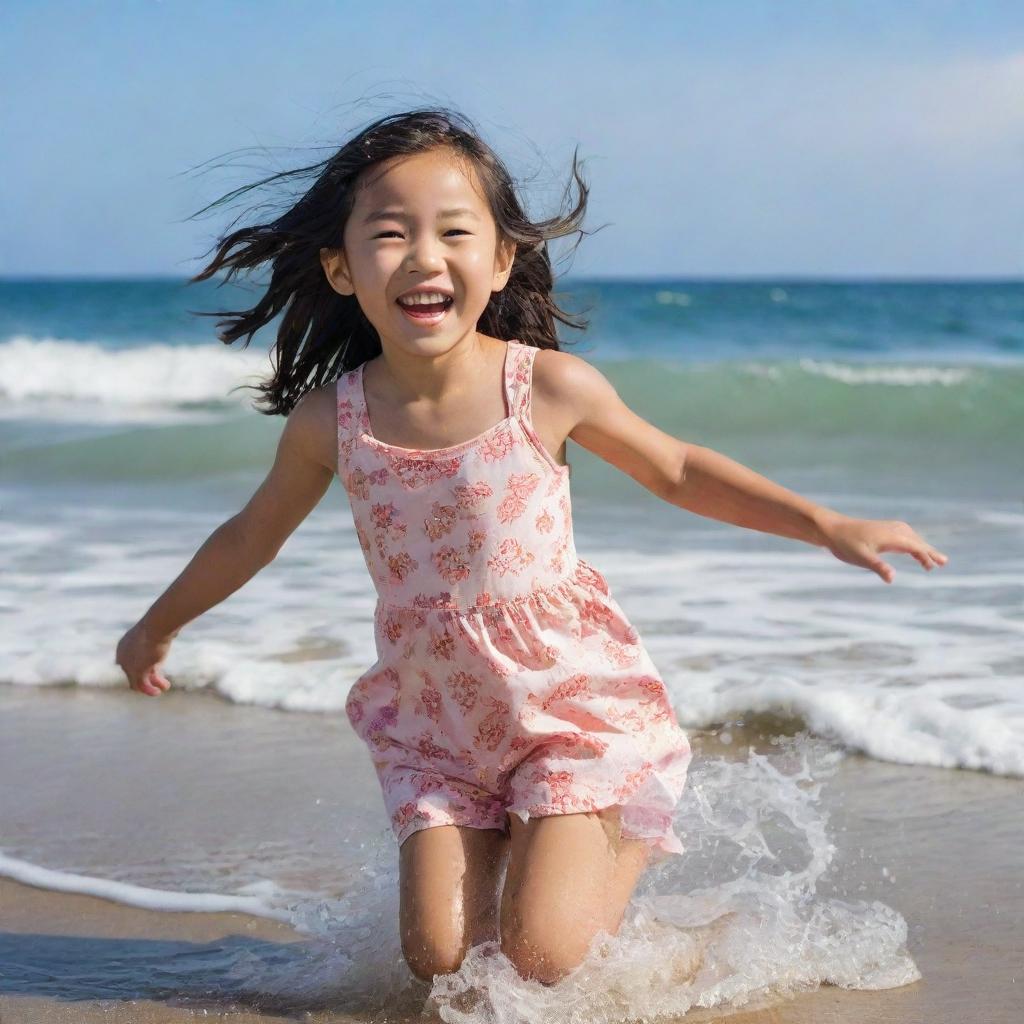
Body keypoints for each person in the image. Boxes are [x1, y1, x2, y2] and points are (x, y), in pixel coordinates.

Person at [115, 107, 948, 988]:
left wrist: (826, 525)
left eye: (454, 232)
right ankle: (547, 861)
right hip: (437, 720)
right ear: (341, 267)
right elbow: (251, 534)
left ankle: (672, 916)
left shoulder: (544, 387)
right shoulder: (334, 418)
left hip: (569, 706)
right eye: (390, 235)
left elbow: (676, 469)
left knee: (542, 958)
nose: (424, 257)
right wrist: (156, 626)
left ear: (502, 258)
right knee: (441, 965)